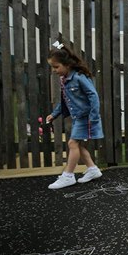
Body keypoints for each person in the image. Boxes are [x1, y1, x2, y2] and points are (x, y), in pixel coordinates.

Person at [46, 41, 104, 190]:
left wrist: (94, 117)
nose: (54, 70)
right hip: (79, 117)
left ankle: (68, 176)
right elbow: (65, 100)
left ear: (67, 65)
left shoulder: (79, 77)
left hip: (86, 117)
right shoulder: (64, 79)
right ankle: (92, 169)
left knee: (72, 144)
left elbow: (93, 95)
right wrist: (54, 114)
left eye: (56, 67)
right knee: (78, 145)